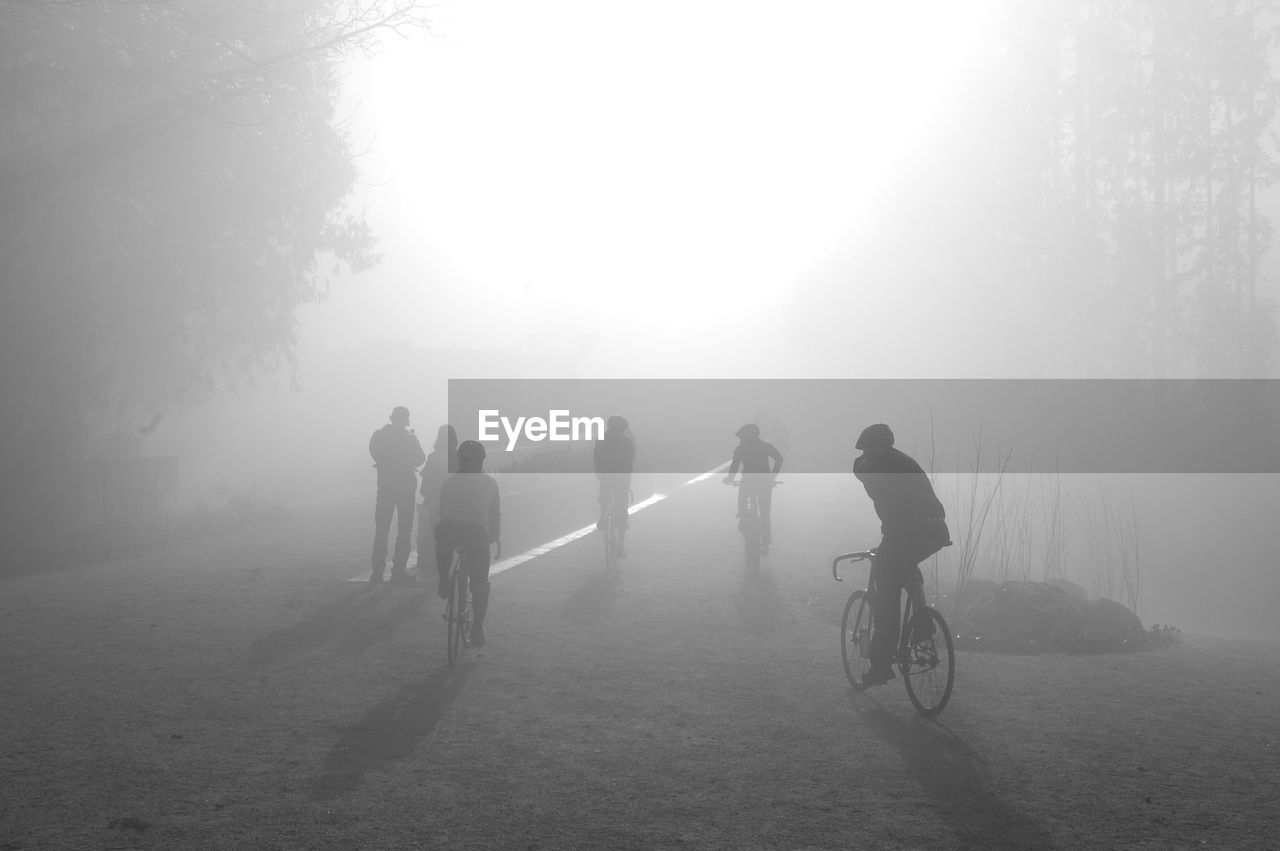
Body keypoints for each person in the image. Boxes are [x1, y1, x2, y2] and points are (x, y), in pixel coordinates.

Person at [851, 423, 950, 687]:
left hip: (905, 534)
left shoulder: (872, 468)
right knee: (905, 565)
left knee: (885, 598)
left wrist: (866, 456)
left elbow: (859, 467)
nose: (870, 453)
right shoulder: (904, 462)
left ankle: (881, 665)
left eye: (871, 448)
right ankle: (922, 624)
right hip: (934, 531)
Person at [435, 440, 501, 647]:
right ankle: (477, 629)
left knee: (443, 536)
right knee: (480, 582)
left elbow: (442, 509)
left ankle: (444, 579)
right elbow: (494, 514)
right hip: (476, 533)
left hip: (450, 529)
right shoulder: (490, 482)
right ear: (481, 462)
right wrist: (494, 536)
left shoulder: (448, 482)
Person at [369, 406, 426, 584]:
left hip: (385, 487)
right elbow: (420, 458)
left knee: (382, 531)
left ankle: (377, 572)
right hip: (405, 489)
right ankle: (398, 571)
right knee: (404, 531)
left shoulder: (379, 435)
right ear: (405, 421)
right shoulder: (410, 439)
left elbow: (375, 453)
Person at [722, 423, 783, 554]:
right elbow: (779, 459)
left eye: (742, 437)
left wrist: (730, 479)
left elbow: (734, 466)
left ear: (748, 437)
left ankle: (744, 520)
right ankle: (766, 540)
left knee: (742, 501)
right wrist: (772, 476)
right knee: (765, 512)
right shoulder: (765, 446)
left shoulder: (740, 448)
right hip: (765, 483)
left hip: (748, 481)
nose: (740, 440)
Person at [415, 425, 458, 575]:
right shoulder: (460, 458)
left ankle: (437, 568)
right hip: (455, 503)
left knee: (437, 536)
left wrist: (427, 495)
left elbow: (426, 483)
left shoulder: (433, 457)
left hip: (436, 501)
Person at [594, 415, 636, 557]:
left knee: (604, 493)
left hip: (605, 476)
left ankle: (602, 517)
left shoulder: (601, 441)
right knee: (622, 509)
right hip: (621, 479)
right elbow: (629, 465)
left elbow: (597, 460)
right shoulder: (627, 443)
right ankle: (621, 545)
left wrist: (599, 476)